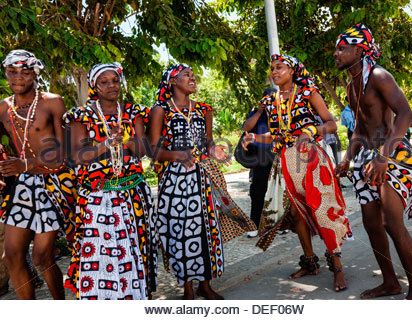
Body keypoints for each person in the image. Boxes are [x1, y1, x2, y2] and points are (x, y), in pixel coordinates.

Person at [334, 23, 412, 299]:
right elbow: (359, 127)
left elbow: (406, 115)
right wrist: (347, 158)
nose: (336, 53)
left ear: (359, 50)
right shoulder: (351, 85)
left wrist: (383, 156)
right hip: (367, 158)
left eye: (342, 48)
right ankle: (390, 282)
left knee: (393, 223)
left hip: (388, 155)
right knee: (371, 224)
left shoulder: (379, 76)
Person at [242, 54, 352, 292]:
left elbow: (331, 124)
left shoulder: (308, 92)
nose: (274, 71)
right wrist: (254, 137)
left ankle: (337, 266)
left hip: (311, 158)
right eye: (271, 68)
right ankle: (310, 262)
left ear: (292, 71)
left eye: (279, 67)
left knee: (322, 209)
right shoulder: (271, 101)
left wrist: (311, 130)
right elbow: (277, 136)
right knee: (296, 215)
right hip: (285, 162)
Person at [150, 64, 255, 300]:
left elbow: (207, 143)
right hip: (175, 181)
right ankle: (187, 289)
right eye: (186, 75)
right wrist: (179, 156)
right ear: (172, 81)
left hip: (202, 177)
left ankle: (205, 285)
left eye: (193, 74)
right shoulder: (161, 110)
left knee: (206, 229)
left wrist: (215, 150)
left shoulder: (203, 109)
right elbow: (153, 150)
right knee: (180, 232)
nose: (192, 77)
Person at [63, 62, 157, 299]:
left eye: (114, 81)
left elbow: (142, 149)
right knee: (99, 253)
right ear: (95, 85)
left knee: (136, 249)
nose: (111, 86)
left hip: (131, 194)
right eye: (104, 82)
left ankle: (137, 297)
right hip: (97, 195)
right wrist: (105, 144)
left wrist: (125, 141)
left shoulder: (131, 112)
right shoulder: (82, 115)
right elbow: (78, 156)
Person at [0, 50, 76, 299]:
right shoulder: (3, 108)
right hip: (21, 187)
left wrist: (27, 164)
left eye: (25, 71)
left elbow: (66, 153)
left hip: (51, 184)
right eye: (12, 72)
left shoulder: (51, 102)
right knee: (12, 256)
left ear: (35, 74)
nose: (18, 77)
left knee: (42, 256)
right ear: (5, 73)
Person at [242, 87, 276, 237]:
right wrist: (260, 111)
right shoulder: (256, 113)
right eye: (266, 98)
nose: (269, 101)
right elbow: (246, 127)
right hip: (260, 157)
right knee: (257, 191)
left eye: (272, 98)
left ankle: (280, 224)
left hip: (277, 155)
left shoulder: (280, 113)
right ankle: (255, 224)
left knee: (278, 190)